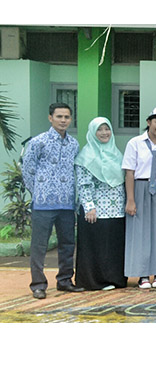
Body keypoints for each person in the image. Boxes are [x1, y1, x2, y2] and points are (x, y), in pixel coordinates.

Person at [22, 102, 82, 299]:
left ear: (70, 119)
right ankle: (38, 284)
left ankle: (65, 280)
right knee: (39, 246)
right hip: (43, 204)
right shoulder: (38, 142)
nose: (63, 120)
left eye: (66, 117)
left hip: (66, 203)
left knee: (67, 244)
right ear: (50, 118)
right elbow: (28, 170)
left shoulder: (74, 144)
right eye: (59, 117)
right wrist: (39, 191)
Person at [122, 106, 156, 289]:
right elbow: (129, 173)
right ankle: (143, 274)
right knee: (141, 232)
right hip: (140, 188)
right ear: (148, 122)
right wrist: (130, 199)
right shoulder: (135, 143)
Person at [74, 117, 127, 291]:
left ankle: (115, 279)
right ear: (92, 132)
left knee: (113, 245)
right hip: (96, 210)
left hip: (117, 209)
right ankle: (95, 281)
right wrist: (89, 207)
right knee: (96, 246)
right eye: (100, 130)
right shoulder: (86, 155)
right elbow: (83, 183)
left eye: (107, 129)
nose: (104, 133)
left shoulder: (116, 153)